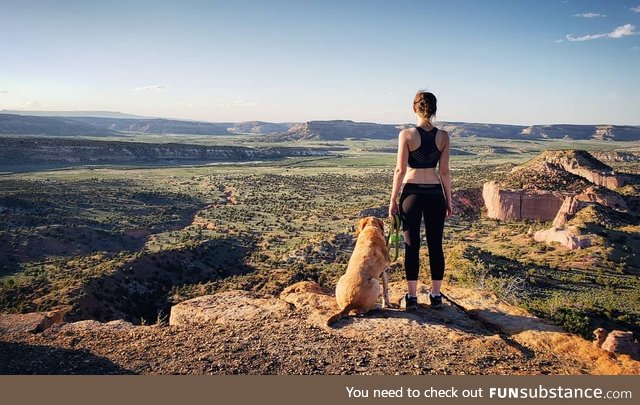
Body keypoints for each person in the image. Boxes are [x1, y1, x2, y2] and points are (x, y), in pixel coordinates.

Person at [388, 90, 452, 310]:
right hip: (435, 195)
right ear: (434, 110)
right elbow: (444, 172)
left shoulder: (406, 135)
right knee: (436, 245)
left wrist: (393, 200)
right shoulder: (443, 136)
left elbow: (399, 170)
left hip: (412, 194)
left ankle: (412, 297)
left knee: (411, 245)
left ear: (414, 108)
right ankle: (436, 296)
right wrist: (449, 200)